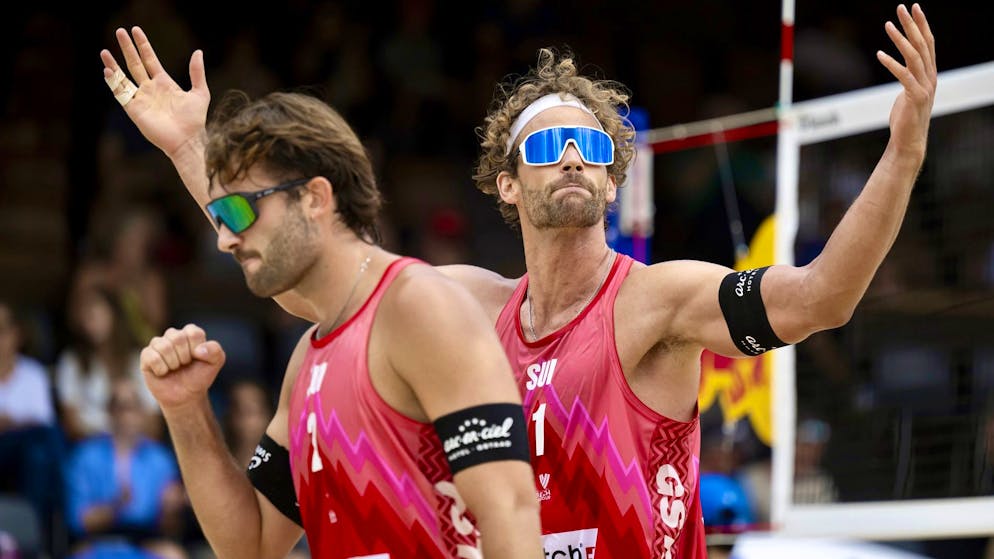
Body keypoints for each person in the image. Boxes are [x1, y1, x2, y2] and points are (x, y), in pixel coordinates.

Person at [102, 4, 937, 557]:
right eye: (546, 146)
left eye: (592, 147)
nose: (571, 156)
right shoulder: (469, 305)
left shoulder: (656, 298)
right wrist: (190, 149)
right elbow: (310, 267)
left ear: (611, 180)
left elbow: (823, 296)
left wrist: (902, 152)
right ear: (507, 184)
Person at [101, 28, 542, 559]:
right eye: (220, 216)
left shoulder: (418, 305)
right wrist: (185, 408)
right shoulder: (309, 357)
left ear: (314, 198)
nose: (224, 238)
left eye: (239, 211)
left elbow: (511, 511)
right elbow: (250, 546)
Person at [64, 377, 187, 559]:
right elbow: (78, 521)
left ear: (143, 412)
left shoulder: (159, 458)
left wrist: (171, 510)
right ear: (109, 412)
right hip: (97, 543)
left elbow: (170, 529)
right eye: (121, 407)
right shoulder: (86, 456)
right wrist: (115, 506)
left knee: (175, 555)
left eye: (133, 406)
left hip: (146, 542)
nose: (127, 415)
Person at [0, 299, 65, 556]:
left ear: (16, 334)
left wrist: (9, 422)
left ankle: (32, 537)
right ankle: (41, 538)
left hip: (23, 457)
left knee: (40, 453)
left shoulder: (33, 374)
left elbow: (44, 424)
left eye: (2, 330)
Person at [55, 286, 161, 441]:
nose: (90, 320)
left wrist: (125, 440)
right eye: (86, 314)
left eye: (96, 312)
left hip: (138, 446)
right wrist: (110, 441)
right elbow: (71, 425)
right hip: (91, 446)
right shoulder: (72, 360)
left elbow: (153, 425)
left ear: (114, 314)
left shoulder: (139, 359)